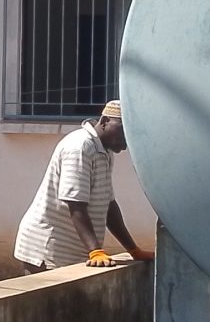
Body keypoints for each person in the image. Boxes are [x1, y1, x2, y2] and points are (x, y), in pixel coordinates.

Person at [14, 99, 147, 272]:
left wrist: (133, 250)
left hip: (71, 250)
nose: (126, 140)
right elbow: (75, 203)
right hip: (47, 248)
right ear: (105, 121)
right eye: (123, 131)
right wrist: (95, 250)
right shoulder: (80, 147)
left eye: (132, 134)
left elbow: (108, 205)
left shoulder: (104, 151)